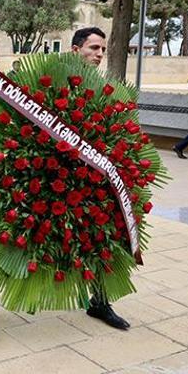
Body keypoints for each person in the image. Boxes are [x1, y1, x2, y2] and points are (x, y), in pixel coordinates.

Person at [70, 26, 131, 330]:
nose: (99, 54)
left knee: (103, 241)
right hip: (66, 181)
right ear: (75, 50)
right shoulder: (59, 83)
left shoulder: (106, 88)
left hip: (99, 182)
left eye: (103, 50)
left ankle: (101, 302)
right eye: (93, 48)